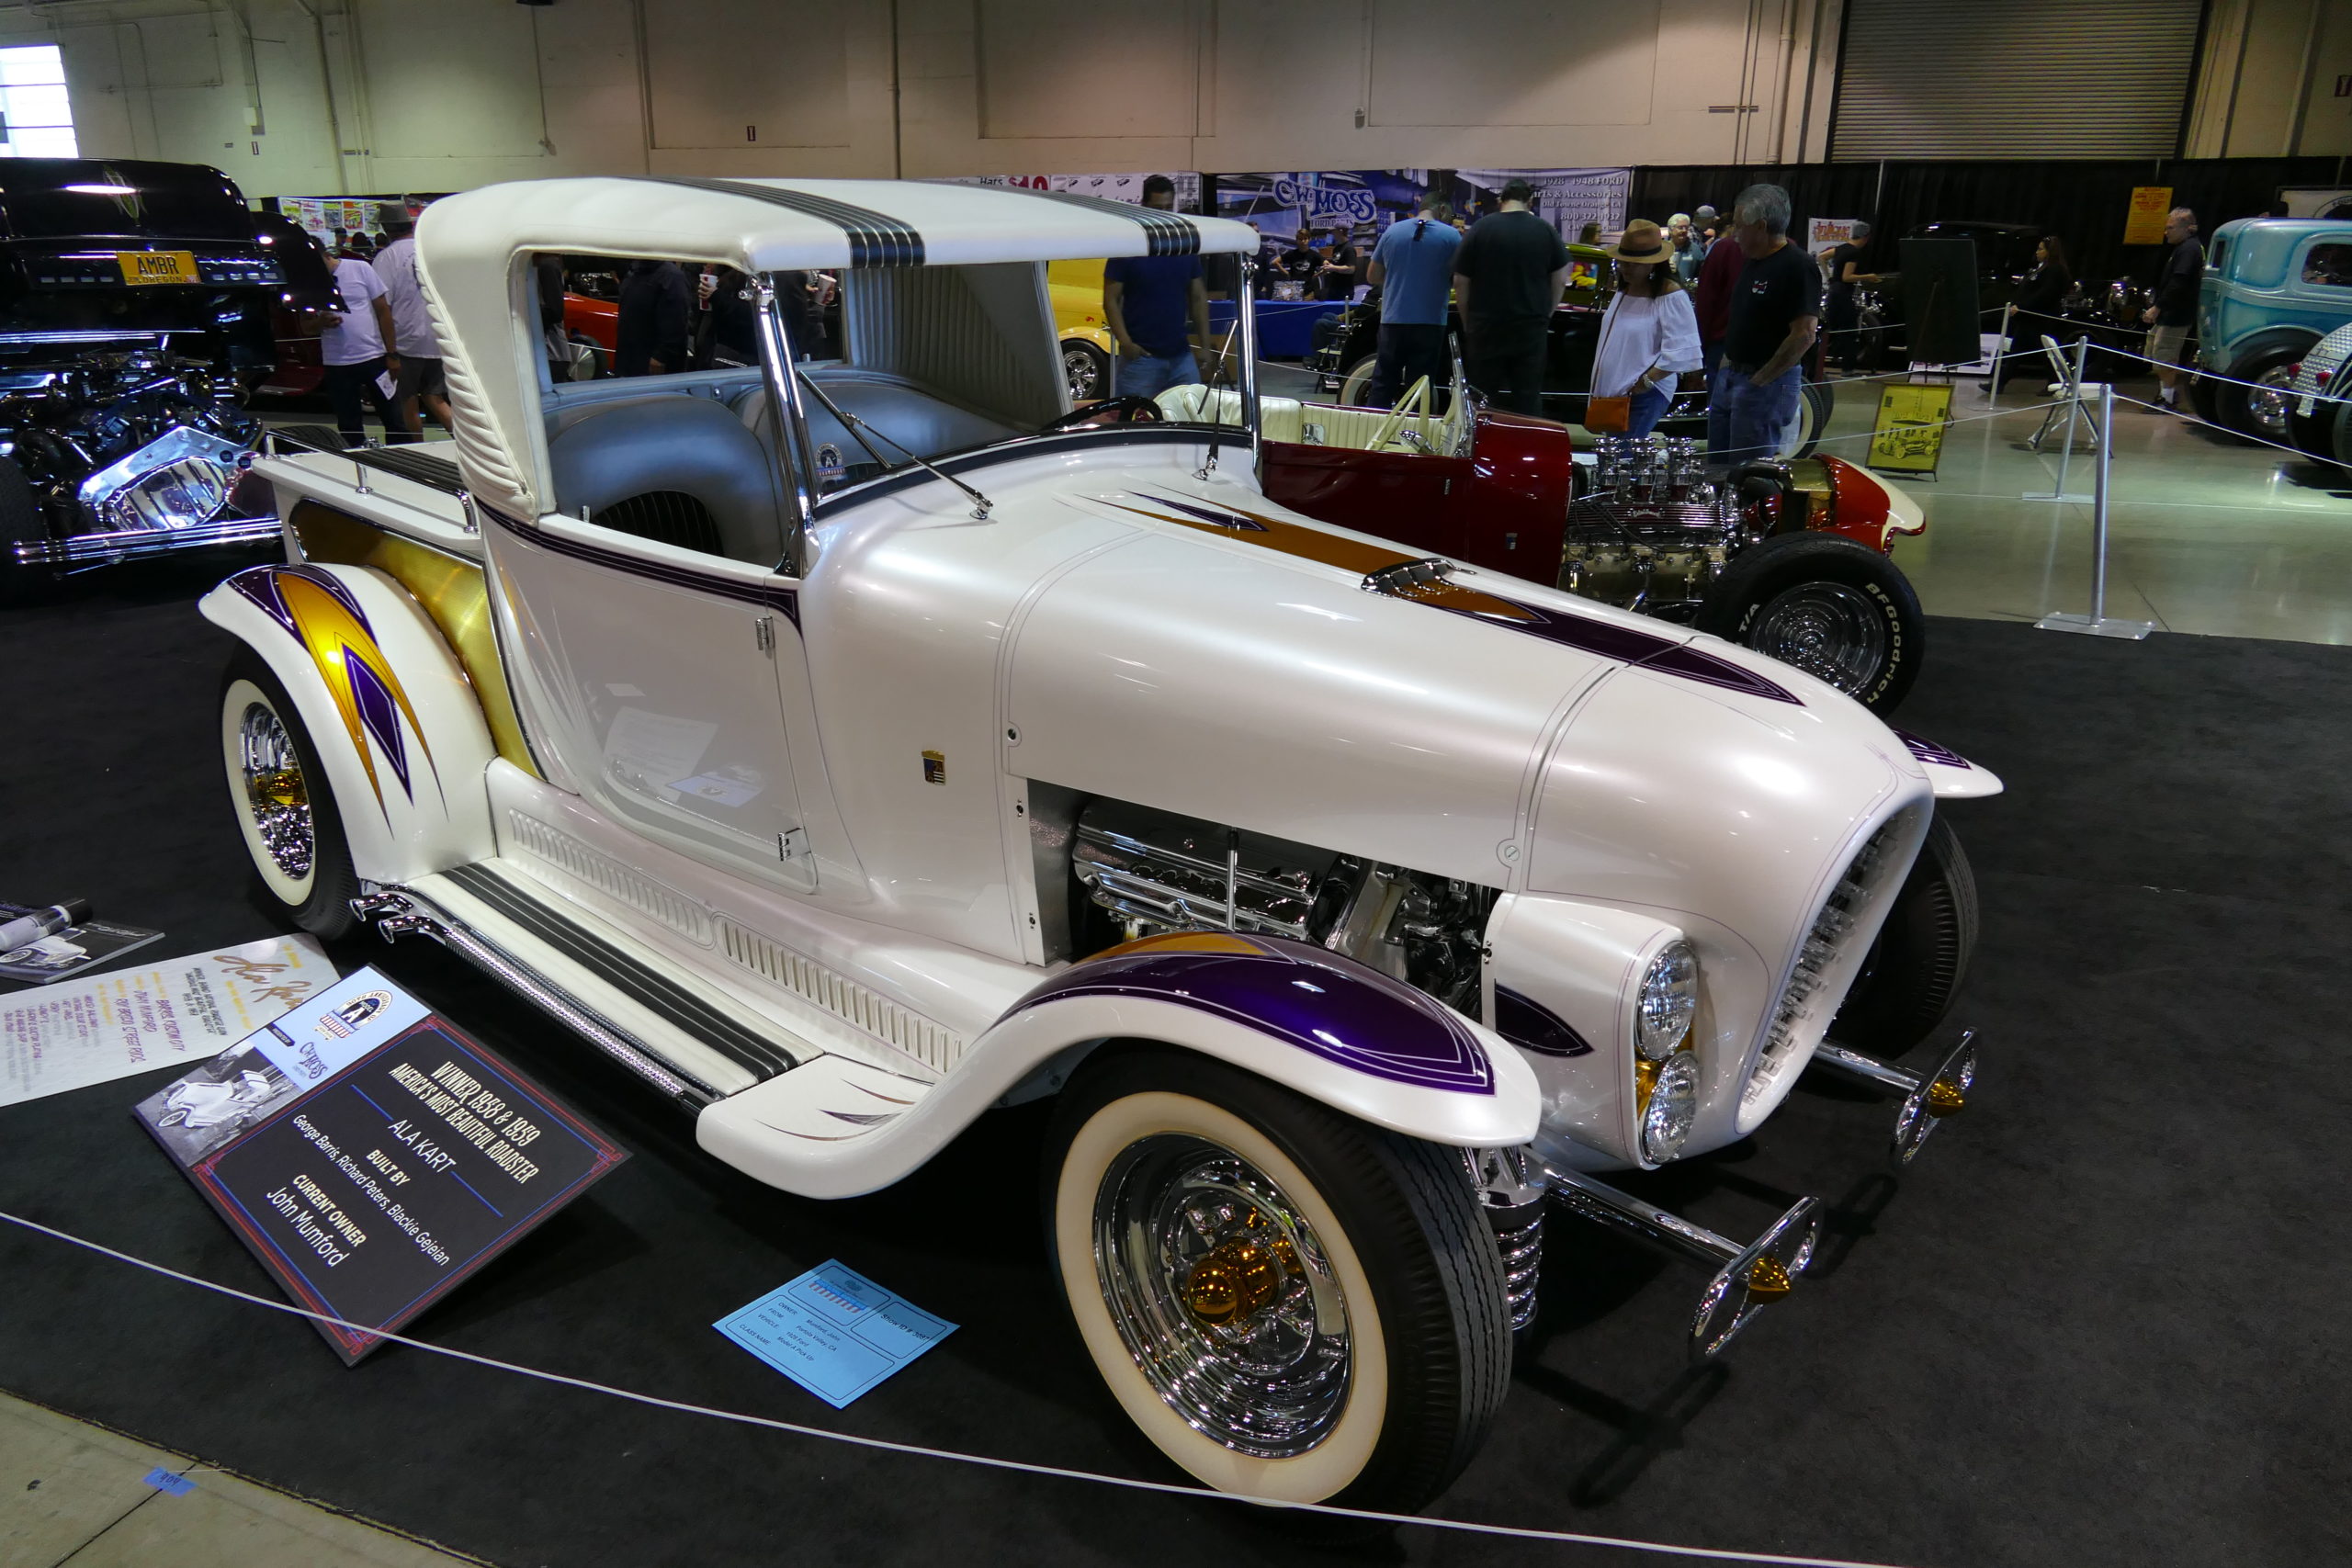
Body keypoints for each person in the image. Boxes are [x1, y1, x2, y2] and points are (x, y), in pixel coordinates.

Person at [1714, 183, 1820, 466]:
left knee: (1747, 470)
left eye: (1739, 226)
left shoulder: (1797, 265)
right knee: (1718, 466)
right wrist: (1727, 366)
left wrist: (1761, 380)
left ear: (1760, 226)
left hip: (1763, 384)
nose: (1735, 234)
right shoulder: (1753, 261)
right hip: (1732, 377)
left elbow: (1804, 335)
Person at [1452, 179, 1570, 417]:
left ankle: (1480, 449)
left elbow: (1460, 281)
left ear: (1500, 201)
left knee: (1481, 397)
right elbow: (1560, 278)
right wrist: (1547, 313)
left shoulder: (1481, 229)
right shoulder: (1544, 230)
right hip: (1529, 328)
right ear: (1530, 201)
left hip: (1486, 327)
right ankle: (1526, 449)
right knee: (1527, 397)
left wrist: (1468, 322)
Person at [1588, 220, 1702, 439]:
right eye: (1622, 262)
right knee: (1615, 458)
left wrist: (1645, 382)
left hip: (1643, 393)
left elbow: (1684, 351)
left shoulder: (1671, 295)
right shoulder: (1625, 290)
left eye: (1632, 263)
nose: (1624, 268)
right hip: (1618, 394)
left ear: (1652, 263)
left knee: (1621, 458)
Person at [1103, 174, 1211, 399]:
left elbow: (1198, 297)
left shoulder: (1183, 246)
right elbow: (1110, 300)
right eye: (1156, 208)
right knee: (1133, 425)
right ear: (1144, 206)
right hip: (1142, 359)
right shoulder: (1127, 247)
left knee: (1193, 421)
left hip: (1181, 356)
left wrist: (1205, 345)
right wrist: (1126, 344)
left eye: (1167, 207)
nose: (1163, 214)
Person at [1364, 196, 1464, 405]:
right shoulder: (1452, 236)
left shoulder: (1392, 232)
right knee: (1420, 387)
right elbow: (1459, 279)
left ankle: (1373, 430)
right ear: (1443, 208)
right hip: (1430, 322)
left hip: (1392, 320)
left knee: (1382, 383)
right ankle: (1415, 434)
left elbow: (1372, 276)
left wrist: (1398, 277)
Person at [312, 243, 410, 448]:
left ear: (325, 255)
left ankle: (402, 459)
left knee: (394, 419)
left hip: (373, 356)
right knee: (349, 424)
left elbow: (383, 311)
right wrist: (320, 323)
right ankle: (356, 463)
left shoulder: (360, 268)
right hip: (337, 362)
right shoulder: (309, 280)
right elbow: (306, 326)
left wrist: (392, 354)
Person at [370, 203, 451, 437]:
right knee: (435, 397)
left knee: (406, 400)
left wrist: (389, 350)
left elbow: (382, 303)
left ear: (386, 228)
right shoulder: (431, 252)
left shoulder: (388, 257)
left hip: (405, 341)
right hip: (438, 337)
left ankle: (416, 450)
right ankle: (466, 444)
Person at [2139, 208, 2201, 412]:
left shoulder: (2189, 249)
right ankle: (2165, 394)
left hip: (2176, 314)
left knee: (2165, 355)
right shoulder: (2183, 248)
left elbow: (2179, 282)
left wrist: (2158, 307)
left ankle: (2167, 399)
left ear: (2187, 228)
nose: (2167, 232)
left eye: (2171, 228)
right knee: (2156, 353)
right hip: (2170, 312)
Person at [1995, 235, 2075, 393]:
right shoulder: (2040, 268)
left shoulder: (2055, 269)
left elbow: (2045, 294)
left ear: (2050, 251)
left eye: (2040, 249)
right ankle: (1999, 383)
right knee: (2017, 351)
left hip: (2041, 318)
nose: (2037, 252)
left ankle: (2056, 382)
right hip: (2028, 318)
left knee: (2045, 353)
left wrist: (2023, 306)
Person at [1694, 209, 1746, 451]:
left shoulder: (1723, 249)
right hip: (1761, 348)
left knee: (1721, 413)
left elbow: (1706, 300)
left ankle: (1721, 474)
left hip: (1721, 343)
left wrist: (1699, 348)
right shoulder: (1788, 251)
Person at [615, 257, 691, 377]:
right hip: (630, 357)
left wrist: (662, 355)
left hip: (653, 363)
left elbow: (677, 323)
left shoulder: (672, 277)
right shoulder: (634, 272)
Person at [1824, 221, 1879, 372]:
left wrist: (1829, 278)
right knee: (1850, 332)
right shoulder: (1854, 252)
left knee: (1833, 329)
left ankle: (1825, 361)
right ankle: (1847, 370)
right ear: (1866, 237)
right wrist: (1869, 276)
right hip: (1843, 294)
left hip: (1833, 292)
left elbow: (1822, 257)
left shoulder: (1841, 249)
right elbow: (1847, 277)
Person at [1668, 213, 1703, 286]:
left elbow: (1703, 274)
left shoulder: (1695, 250)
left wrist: (1693, 285)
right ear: (1671, 229)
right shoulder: (1663, 248)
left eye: (1686, 228)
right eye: (1680, 227)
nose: (1684, 230)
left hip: (1686, 293)